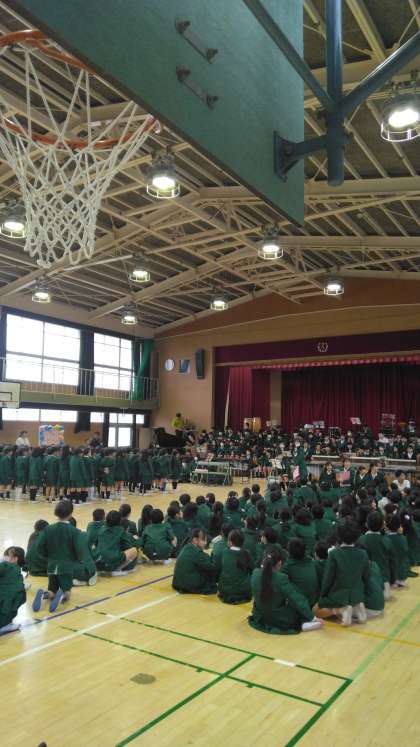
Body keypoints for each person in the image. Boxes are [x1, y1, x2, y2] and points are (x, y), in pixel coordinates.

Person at [32, 500, 97, 613]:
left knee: (52, 590)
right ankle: (62, 596)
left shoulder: (48, 529)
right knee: (67, 591)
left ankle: (44, 595)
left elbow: (39, 547)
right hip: (66, 567)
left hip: (51, 566)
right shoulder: (75, 532)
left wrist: (48, 557)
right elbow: (80, 551)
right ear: (71, 513)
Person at [248, 548, 323, 635]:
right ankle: (302, 624)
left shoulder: (255, 573)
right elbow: (296, 599)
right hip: (277, 618)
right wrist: (312, 617)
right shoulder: (281, 578)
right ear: (279, 563)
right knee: (295, 606)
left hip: (259, 615)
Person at [315, 520, 370, 626]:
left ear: (338, 536)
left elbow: (328, 579)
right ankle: (357, 606)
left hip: (339, 595)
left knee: (315, 611)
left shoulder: (334, 554)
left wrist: (323, 595)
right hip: (357, 594)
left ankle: (342, 610)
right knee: (352, 599)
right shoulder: (363, 553)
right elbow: (366, 576)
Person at [359, 511, 395, 600]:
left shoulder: (360, 540)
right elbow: (393, 563)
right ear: (383, 525)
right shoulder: (387, 541)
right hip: (384, 578)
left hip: (365, 579)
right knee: (385, 597)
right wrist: (393, 580)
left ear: (366, 524)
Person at [172, 528, 217, 594]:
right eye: (203, 540)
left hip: (177, 583)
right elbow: (212, 567)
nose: (205, 543)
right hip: (189, 585)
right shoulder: (196, 552)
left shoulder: (186, 547)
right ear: (195, 540)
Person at [95, 510, 139, 576]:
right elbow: (128, 546)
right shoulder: (120, 530)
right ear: (119, 520)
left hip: (98, 562)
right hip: (110, 562)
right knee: (134, 550)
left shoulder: (102, 528)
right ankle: (117, 570)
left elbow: (96, 543)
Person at [217, 530, 253, 604]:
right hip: (241, 591)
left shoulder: (225, 552)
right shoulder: (246, 553)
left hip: (224, 590)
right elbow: (252, 569)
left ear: (230, 542)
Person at [282, 538, 319, 607]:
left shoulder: (288, 566)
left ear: (289, 552)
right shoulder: (311, 561)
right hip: (314, 601)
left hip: (300, 604)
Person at [0, 546, 26, 635]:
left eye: (6, 555)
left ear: (15, 559)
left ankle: (3, 625)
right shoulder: (18, 572)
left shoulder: (6, 565)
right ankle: (5, 624)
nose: (3, 557)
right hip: (13, 602)